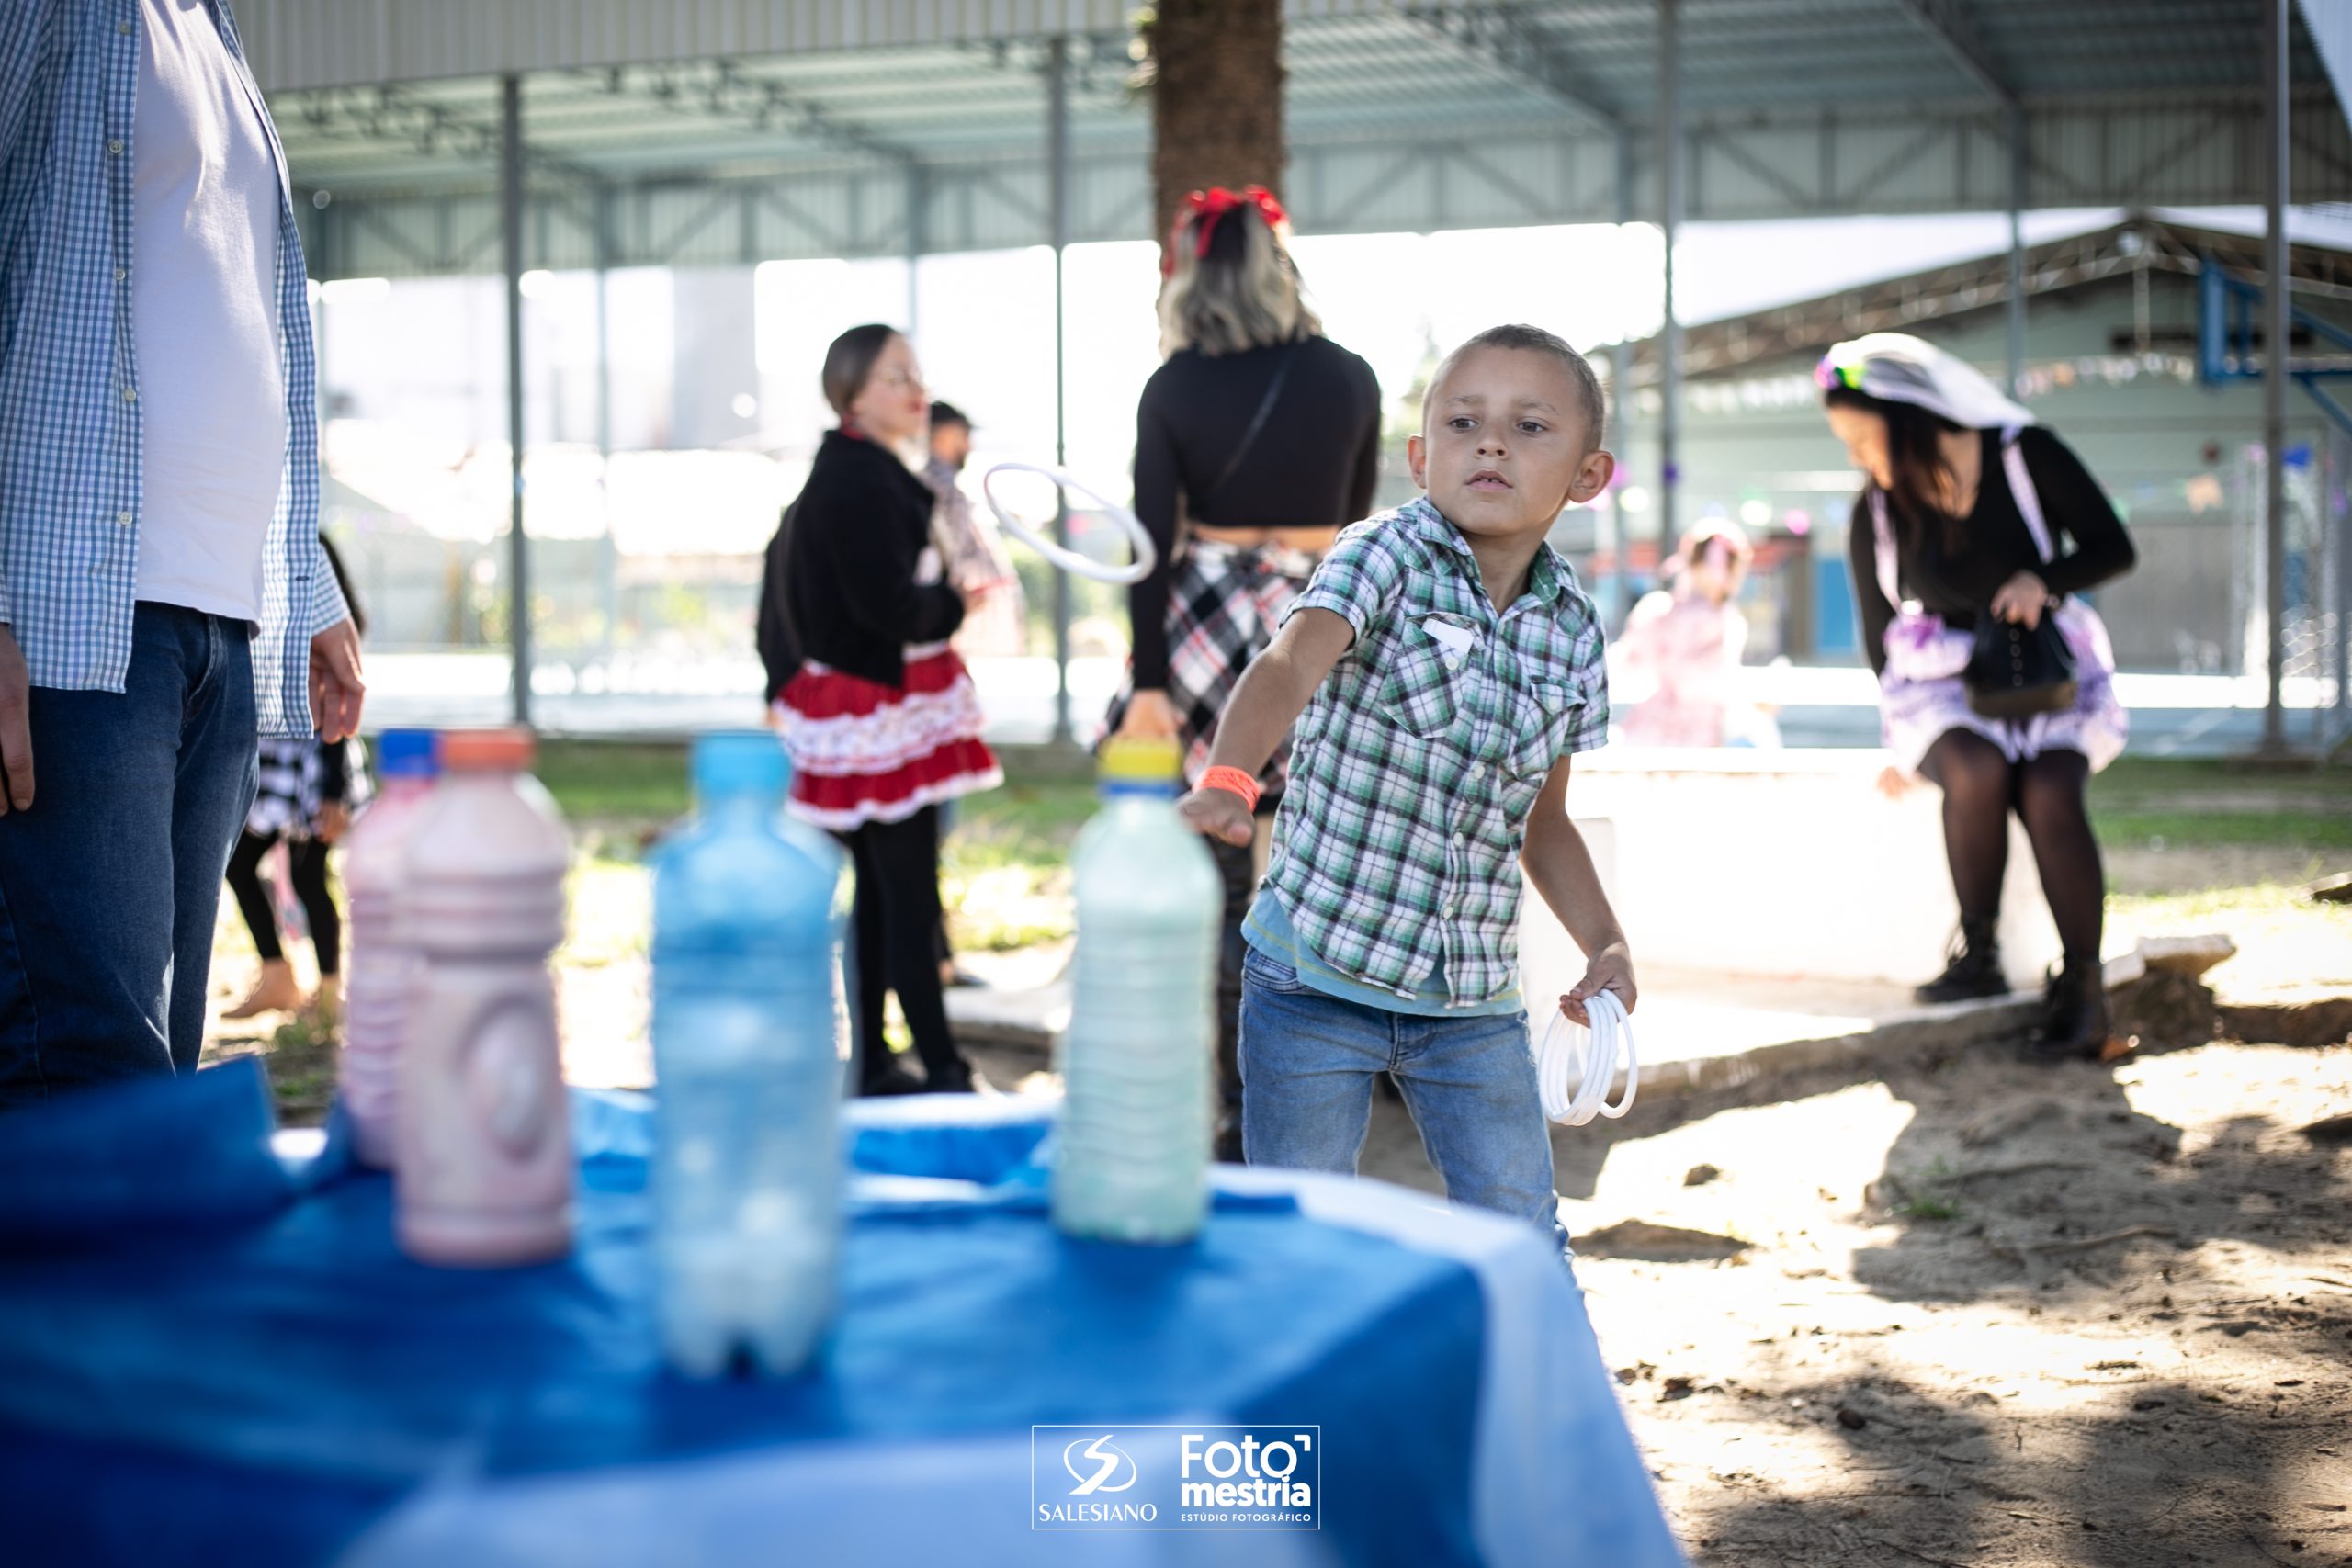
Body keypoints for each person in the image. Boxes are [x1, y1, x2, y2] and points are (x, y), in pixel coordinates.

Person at [1176, 323, 1634, 1249]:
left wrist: (1607, 942)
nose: (1492, 442)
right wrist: (1228, 776)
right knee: (1299, 1229)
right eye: (1464, 422)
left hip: (1469, 1005)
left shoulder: (1576, 631)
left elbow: (1543, 821)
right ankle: (1300, 1394)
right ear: (1422, 458)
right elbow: (1290, 659)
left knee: (1520, 1227)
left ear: (1588, 475)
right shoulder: (1382, 552)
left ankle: (1535, 1392)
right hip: (1312, 982)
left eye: (1530, 425)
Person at [0, 1, 366, 1109]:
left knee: (155, 1069)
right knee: (84, 1066)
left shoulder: (213, 30)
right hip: (70, 619)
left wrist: (306, 587)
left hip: (217, 617)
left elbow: (244, 322)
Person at [1108, 184, 1382, 1160]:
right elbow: (1357, 528)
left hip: (1204, 630)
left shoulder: (1172, 387)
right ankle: (1340, 1082)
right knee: (1330, 868)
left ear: (1193, 274)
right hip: (1317, 617)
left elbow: (1149, 542)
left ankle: (1232, 1108)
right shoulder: (1349, 376)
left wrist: (1145, 682)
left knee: (1224, 872)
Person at [1820, 333, 2133, 1059]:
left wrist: (2043, 578)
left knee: (2053, 787)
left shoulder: (2027, 454)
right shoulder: (1874, 508)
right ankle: (1979, 954)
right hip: (1940, 691)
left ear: (1907, 418)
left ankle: (2085, 994)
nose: (1857, 456)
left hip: (2041, 671)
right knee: (1976, 767)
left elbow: (2113, 546)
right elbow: (1878, 635)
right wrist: (1899, 745)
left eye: (1863, 437)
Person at [766, 325, 1000, 1095]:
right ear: (852, 395)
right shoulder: (861, 480)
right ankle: (938, 1067)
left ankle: (877, 1059)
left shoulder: (854, 472)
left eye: (916, 373)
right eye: (896, 376)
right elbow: (889, 606)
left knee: (880, 892)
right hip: (878, 709)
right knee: (903, 895)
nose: (915, 388)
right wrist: (950, 604)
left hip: (863, 705)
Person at [221, 537, 370, 1023]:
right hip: (270, 763)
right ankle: (278, 975)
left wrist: (333, 793)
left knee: (310, 876)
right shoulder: (263, 623)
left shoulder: (322, 634)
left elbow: (335, 726)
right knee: (240, 864)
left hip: (314, 769)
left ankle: (329, 992)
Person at [1616, 521, 1756, 748]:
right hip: (1701, 723)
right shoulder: (1719, 617)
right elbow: (1716, 679)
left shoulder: (1658, 608)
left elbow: (1631, 664)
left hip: (1656, 719)